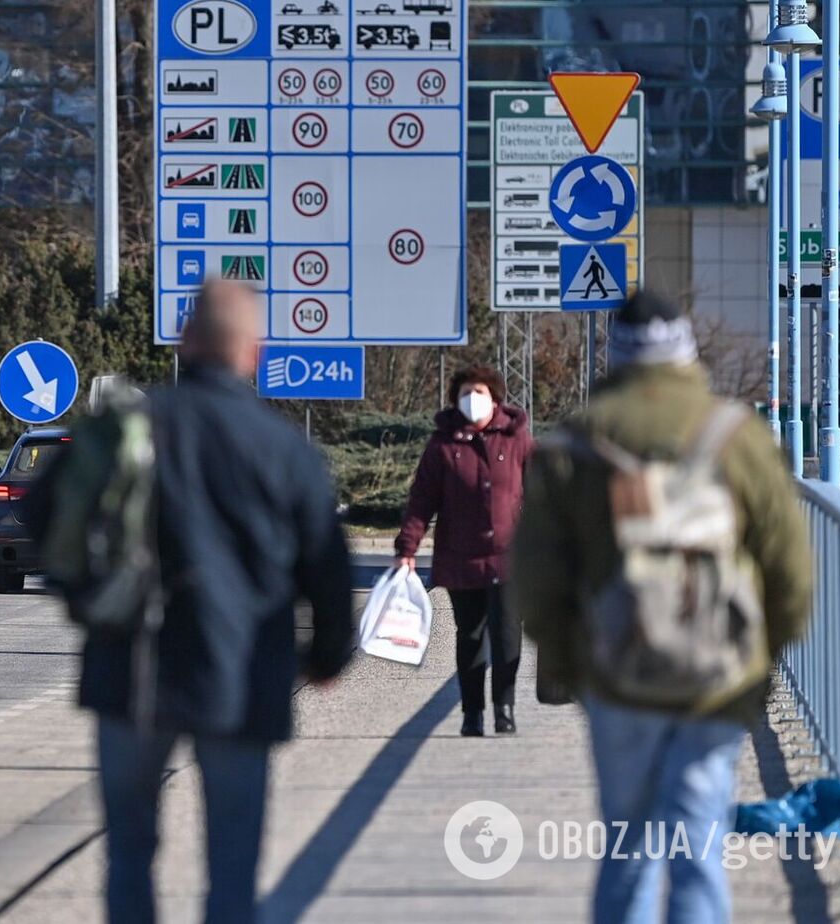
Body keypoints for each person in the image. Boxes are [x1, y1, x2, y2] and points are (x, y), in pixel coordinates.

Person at [507, 291, 812, 924]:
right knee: (698, 846)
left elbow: (536, 583)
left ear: (613, 351)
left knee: (628, 848)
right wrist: (758, 662)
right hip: (717, 679)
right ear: (686, 350)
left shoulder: (573, 445)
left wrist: (574, 666)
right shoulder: (738, 437)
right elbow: (790, 573)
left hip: (617, 674)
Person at [75, 278, 354, 924]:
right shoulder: (284, 449)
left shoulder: (131, 428)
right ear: (253, 352)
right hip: (241, 676)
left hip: (130, 673)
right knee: (232, 862)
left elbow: (46, 521)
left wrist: (91, 603)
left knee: (128, 854)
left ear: (185, 342)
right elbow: (328, 567)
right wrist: (327, 656)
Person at [393, 366, 533, 736]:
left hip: (510, 557)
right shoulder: (443, 444)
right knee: (470, 638)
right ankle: (473, 713)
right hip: (461, 558)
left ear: (495, 398)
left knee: (507, 638)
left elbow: (539, 494)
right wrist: (407, 546)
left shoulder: (516, 438)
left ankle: (505, 707)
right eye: (466, 392)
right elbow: (422, 500)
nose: (473, 399)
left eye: (481, 392)